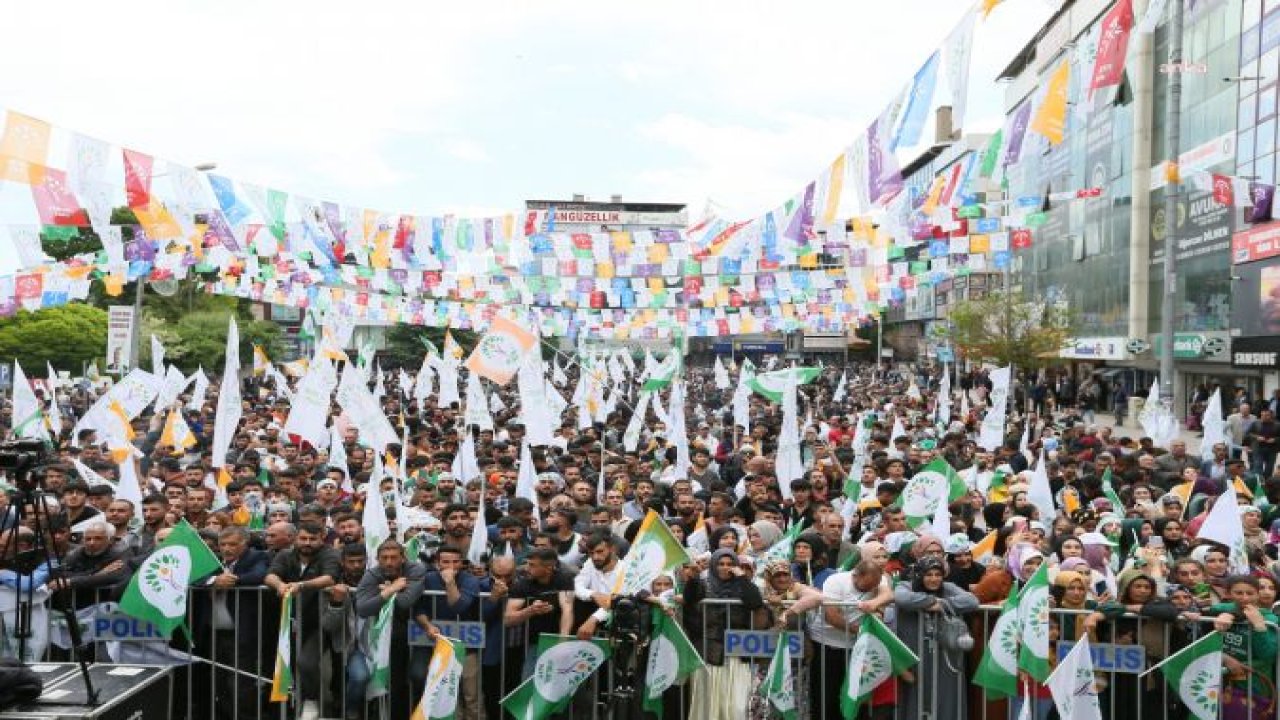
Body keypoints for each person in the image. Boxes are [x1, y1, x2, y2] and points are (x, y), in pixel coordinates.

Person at [264, 523, 340, 720]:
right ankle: (286, 709)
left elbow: (330, 578)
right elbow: (270, 575)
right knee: (284, 666)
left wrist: (301, 585)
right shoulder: (285, 555)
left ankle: (311, 701)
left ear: (322, 538)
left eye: (313, 539)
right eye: (303, 538)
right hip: (288, 622)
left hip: (319, 622)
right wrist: (280, 585)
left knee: (306, 662)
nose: (307, 543)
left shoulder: (329, 554)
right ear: (295, 538)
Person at [893, 556, 980, 720]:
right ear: (919, 575)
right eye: (929, 574)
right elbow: (901, 598)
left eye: (938, 574)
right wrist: (931, 601)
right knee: (916, 695)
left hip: (944, 656)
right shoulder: (907, 585)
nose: (934, 579)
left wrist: (943, 604)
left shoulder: (948, 587)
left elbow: (972, 601)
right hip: (915, 653)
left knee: (945, 694)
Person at [687, 548, 764, 720]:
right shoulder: (704, 584)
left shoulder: (744, 585)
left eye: (730, 564)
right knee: (710, 706)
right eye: (721, 564)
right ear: (714, 565)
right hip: (710, 652)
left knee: (738, 706)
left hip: (738, 652)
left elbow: (755, 602)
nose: (725, 567)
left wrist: (742, 577)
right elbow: (690, 599)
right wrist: (693, 578)